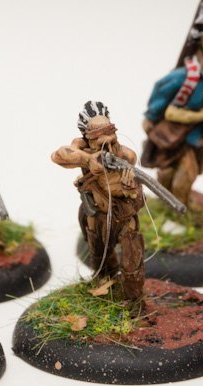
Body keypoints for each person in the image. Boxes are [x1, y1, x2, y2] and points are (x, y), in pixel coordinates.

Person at [53, 101, 147, 314]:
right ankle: (106, 289)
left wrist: (130, 189)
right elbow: (58, 155)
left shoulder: (127, 156)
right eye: (101, 144)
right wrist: (89, 160)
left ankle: (135, 303)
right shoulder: (81, 149)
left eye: (111, 142)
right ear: (88, 139)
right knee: (100, 257)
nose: (108, 150)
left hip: (123, 217)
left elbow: (138, 197)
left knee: (132, 261)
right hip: (96, 216)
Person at [141, 0, 203, 207]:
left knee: (185, 175)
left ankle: (176, 211)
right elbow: (161, 91)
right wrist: (151, 118)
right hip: (170, 133)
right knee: (168, 174)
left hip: (195, 137)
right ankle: (168, 210)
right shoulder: (186, 76)